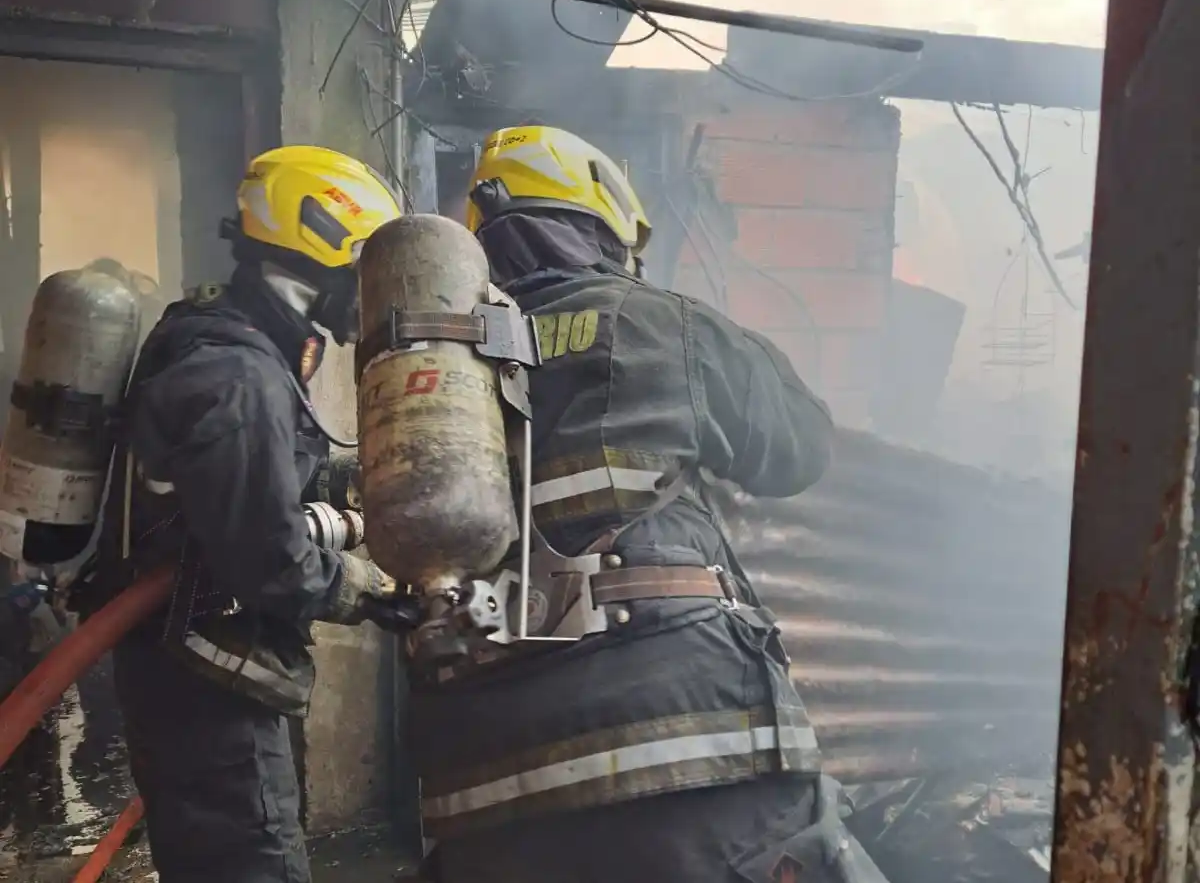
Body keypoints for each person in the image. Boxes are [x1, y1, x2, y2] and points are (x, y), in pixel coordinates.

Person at [408, 126, 889, 883]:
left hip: (482, 771)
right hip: (687, 735)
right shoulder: (665, 324)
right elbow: (799, 448)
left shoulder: (430, 367)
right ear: (604, 220)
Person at [96, 146, 406, 883]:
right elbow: (269, 558)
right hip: (209, 691)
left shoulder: (234, 342)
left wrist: (354, 481)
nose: (375, 293)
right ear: (328, 246)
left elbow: (251, 484)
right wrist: (373, 591)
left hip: (207, 678)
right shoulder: (239, 374)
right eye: (370, 266)